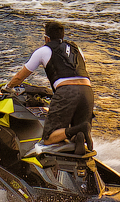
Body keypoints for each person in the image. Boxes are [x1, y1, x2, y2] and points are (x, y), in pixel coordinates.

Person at [5, 21, 94, 154]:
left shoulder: (44, 50)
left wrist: (6, 88)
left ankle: (79, 129)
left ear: (46, 38)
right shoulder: (77, 49)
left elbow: (19, 77)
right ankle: (79, 136)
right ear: (62, 36)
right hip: (87, 91)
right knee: (75, 134)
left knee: (49, 137)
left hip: (67, 91)